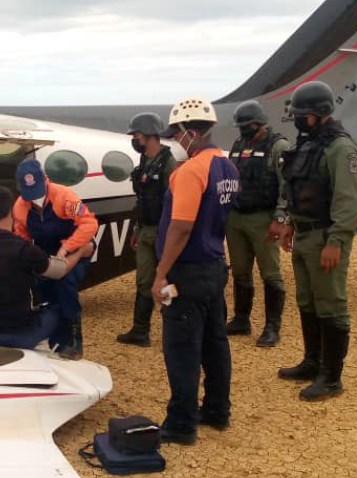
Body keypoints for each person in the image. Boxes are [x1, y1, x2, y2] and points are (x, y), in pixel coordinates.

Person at [153, 96, 239, 445]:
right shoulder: (228, 166)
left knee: (182, 348)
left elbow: (181, 227)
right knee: (215, 343)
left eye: (177, 134)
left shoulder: (190, 170)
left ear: (190, 132)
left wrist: (161, 274)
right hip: (214, 266)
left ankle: (181, 423)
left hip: (187, 271)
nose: (176, 140)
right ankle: (217, 410)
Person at [278, 81, 357, 401]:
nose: (299, 119)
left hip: (325, 236)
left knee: (331, 304)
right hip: (304, 234)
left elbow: (349, 201)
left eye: (304, 114)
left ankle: (331, 377)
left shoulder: (341, 148)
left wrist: (336, 242)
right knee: (307, 301)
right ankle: (312, 362)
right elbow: (295, 189)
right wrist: (288, 223)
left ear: (319, 114)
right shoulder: (309, 145)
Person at [0, 184, 94, 349]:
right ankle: (65, 350)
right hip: (18, 335)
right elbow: (60, 272)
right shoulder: (23, 248)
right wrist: (81, 252)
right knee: (60, 307)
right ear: (11, 213)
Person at [13, 157, 99, 359]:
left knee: (65, 284)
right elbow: (22, 234)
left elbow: (89, 224)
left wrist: (68, 246)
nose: (35, 199)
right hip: (45, 248)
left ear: (45, 179)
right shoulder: (19, 207)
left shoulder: (65, 196)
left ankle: (74, 341)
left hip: (75, 242)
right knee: (43, 288)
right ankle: (54, 340)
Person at [224, 100, 290, 347]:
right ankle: (241, 319)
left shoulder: (278, 146)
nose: (242, 129)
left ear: (259, 123)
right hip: (237, 217)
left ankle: (272, 326)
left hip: (264, 218)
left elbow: (287, 186)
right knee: (240, 270)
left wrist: (280, 218)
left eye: (246, 125)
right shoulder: (239, 145)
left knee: (270, 273)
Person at [117, 113, 177, 347]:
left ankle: (173, 326)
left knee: (167, 281)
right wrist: (136, 228)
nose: (134, 139)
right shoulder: (144, 162)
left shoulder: (168, 163)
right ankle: (140, 330)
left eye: (137, 134)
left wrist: (170, 235)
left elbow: (174, 202)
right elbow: (142, 200)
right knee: (143, 281)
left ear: (150, 134)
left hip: (163, 231)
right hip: (145, 230)